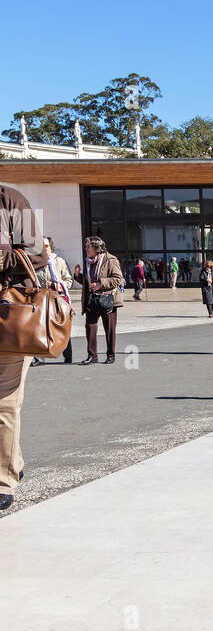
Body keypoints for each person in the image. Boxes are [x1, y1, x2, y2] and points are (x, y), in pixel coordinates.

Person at [0, 184, 49, 515]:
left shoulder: (11, 199)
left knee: (4, 402)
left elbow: (40, 255)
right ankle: (13, 461)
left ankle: (3, 481)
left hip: (8, 316)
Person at [74, 236, 123, 364]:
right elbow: (88, 282)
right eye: (85, 247)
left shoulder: (110, 260)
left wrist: (101, 283)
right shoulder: (88, 261)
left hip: (108, 298)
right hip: (92, 299)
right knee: (90, 326)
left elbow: (118, 279)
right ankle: (92, 355)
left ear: (97, 248)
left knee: (110, 329)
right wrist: (78, 276)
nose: (86, 249)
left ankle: (111, 355)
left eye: (88, 247)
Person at [33, 236, 74, 365]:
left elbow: (68, 281)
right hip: (41, 300)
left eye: (46, 246)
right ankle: (39, 358)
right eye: (41, 246)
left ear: (51, 247)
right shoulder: (35, 262)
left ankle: (68, 356)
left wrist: (56, 286)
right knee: (39, 328)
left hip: (58, 301)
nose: (44, 248)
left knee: (61, 328)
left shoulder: (59, 262)